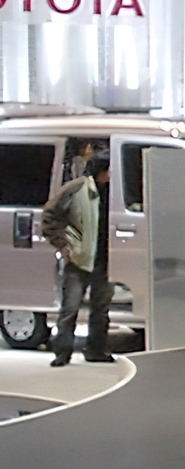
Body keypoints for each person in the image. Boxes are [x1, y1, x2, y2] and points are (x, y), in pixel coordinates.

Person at [40, 154, 113, 366]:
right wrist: (63, 244)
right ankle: (62, 352)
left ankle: (96, 350)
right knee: (70, 308)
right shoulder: (77, 188)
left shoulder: (113, 193)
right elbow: (50, 215)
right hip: (79, 258)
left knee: (101, 309)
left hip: (104, 259)